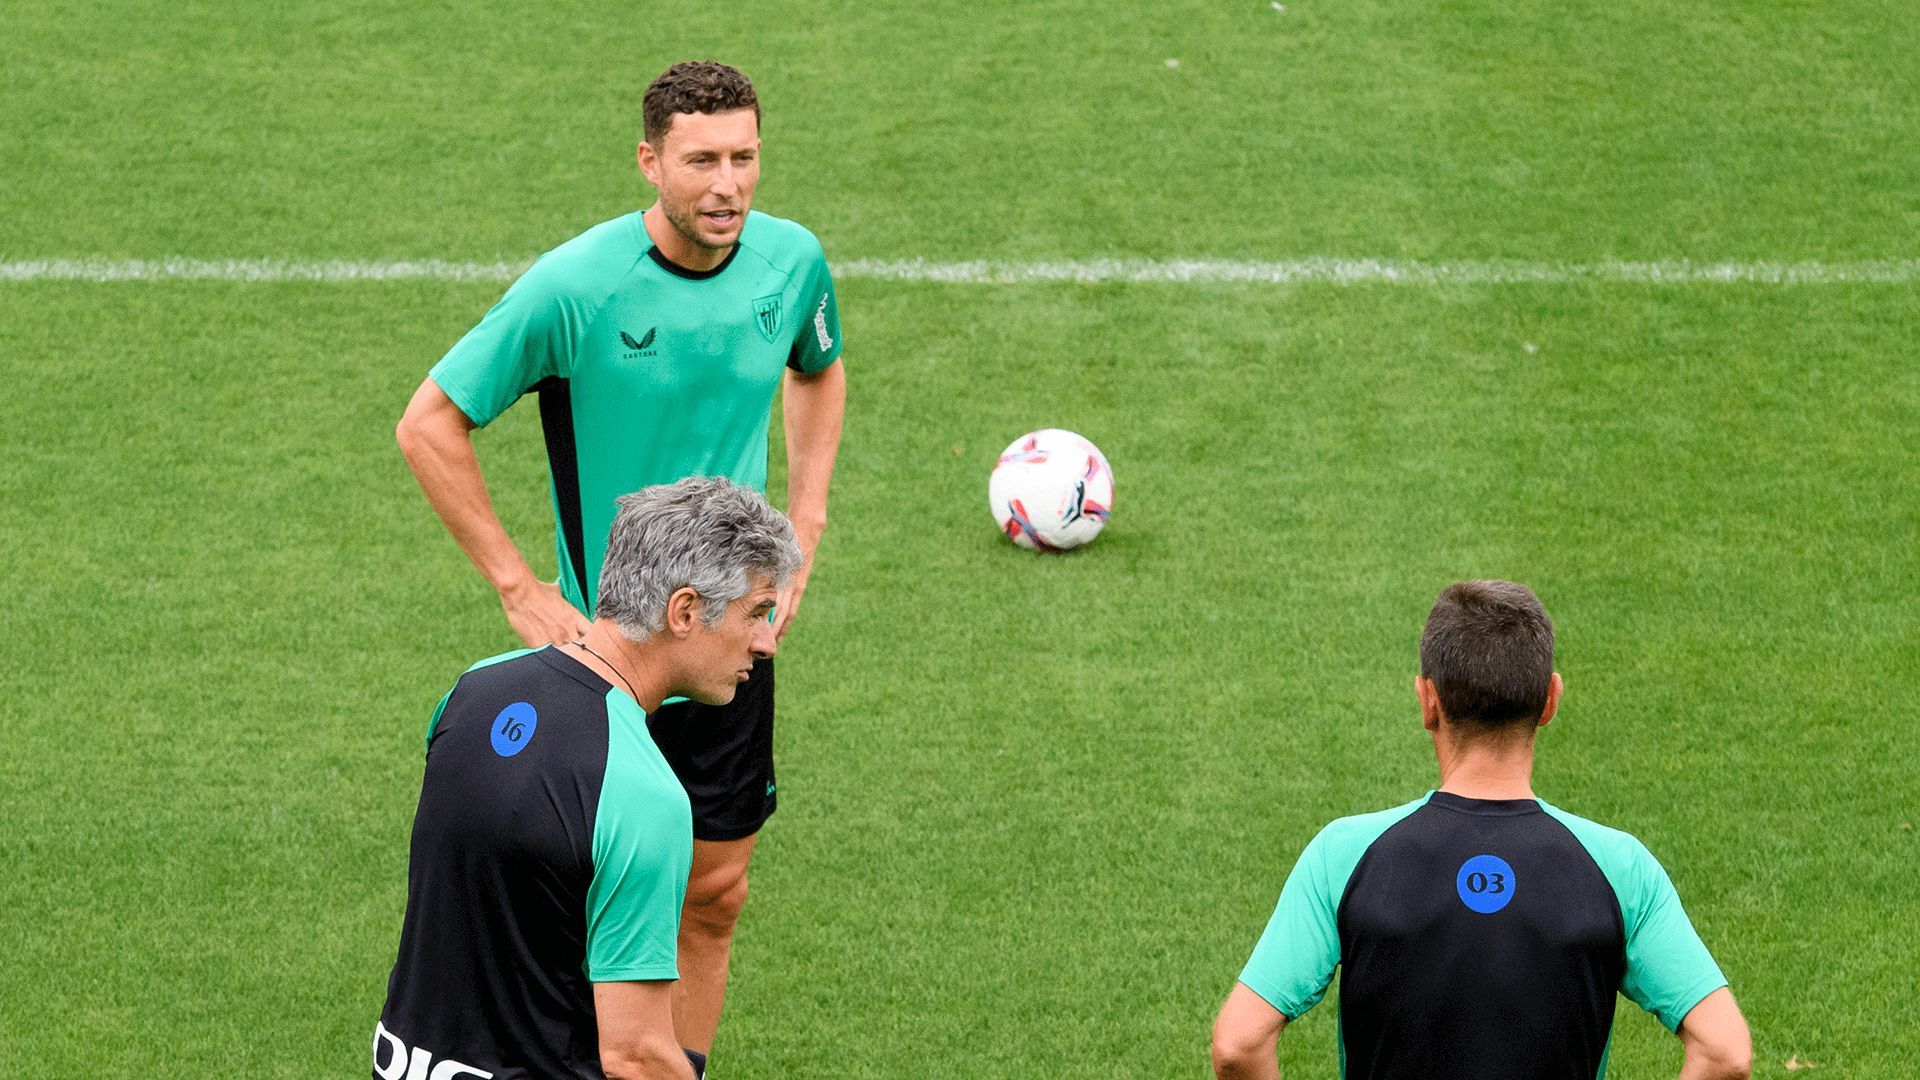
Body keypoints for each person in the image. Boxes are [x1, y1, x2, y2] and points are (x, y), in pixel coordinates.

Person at [394, 60, 845, 1057]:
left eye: (745, 158)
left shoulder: (792, 264)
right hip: (610, 657)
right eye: (701, 162)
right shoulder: (575, 288)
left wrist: (804, 520)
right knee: (583, 908)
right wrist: (517, 585)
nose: (727, 185)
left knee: (715, 897)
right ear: (650, 163)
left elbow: (819, 368)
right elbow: (429, 425)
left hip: (730, 643)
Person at [1212, 580, 1752, 1080]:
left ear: (1428, 701)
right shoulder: (1619, 867)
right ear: (1550, 701)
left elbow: (1239, 1044)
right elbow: (1724, 1051)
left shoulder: (1345, 855)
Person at [374, 477, 804, 1080]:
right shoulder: (641, 792)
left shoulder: (470, 691)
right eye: (756, 612)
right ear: (684, 611)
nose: (766, 643)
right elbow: (635, 1055)